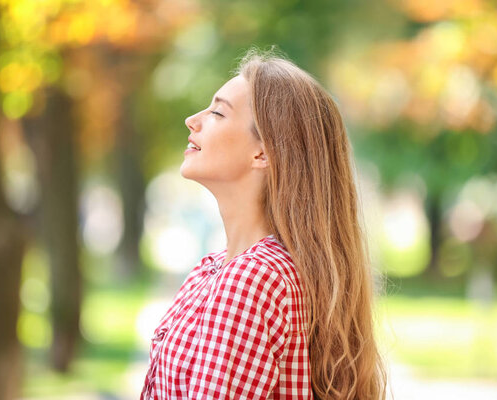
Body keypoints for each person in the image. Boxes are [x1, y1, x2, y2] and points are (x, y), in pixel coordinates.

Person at [139, 47, 387, 400]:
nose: (193, 120)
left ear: (264, 152)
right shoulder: (218, 271)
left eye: (217, 112)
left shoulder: (253, 279)